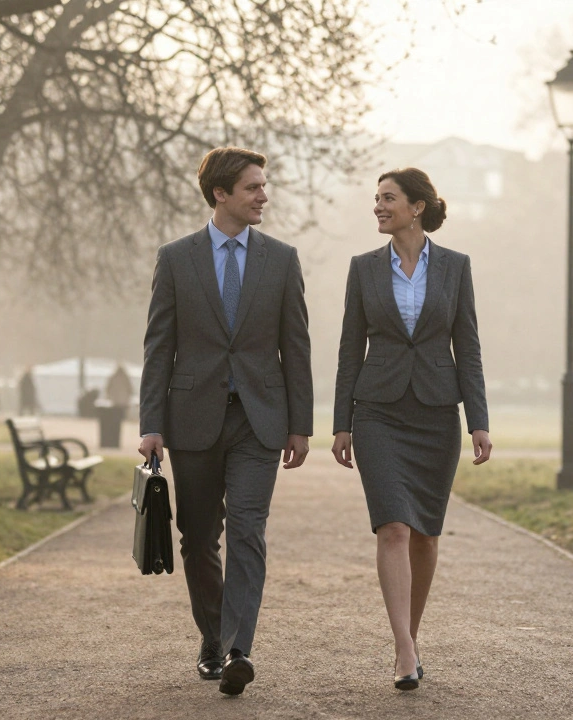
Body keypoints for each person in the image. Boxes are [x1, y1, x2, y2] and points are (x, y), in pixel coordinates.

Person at [138, 147, 312, 696]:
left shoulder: (282, 260)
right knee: (196, 537)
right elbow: (157, 347)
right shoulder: (176, 258)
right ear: (220, 194)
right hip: (191, 420)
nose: (264, 196)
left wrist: (300, 424)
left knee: (248, 529)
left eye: (264, 186)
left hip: (260, 420)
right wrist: (150, 423)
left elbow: (296, 346)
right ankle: (212, 637)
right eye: (253, 188)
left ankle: (239, 646)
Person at [331, 167, 491, 691]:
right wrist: (340, 424)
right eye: (376, 199)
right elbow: (350, 347)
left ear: (417, 207)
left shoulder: (455, 267)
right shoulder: (363, 268)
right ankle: (403, 648)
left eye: (388, 198)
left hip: (437, 414)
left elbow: (466, 345)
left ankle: (410, 637)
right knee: (393, 526)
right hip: (377, 411)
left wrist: (479, 423)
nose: (378, 206)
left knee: (425, 533)